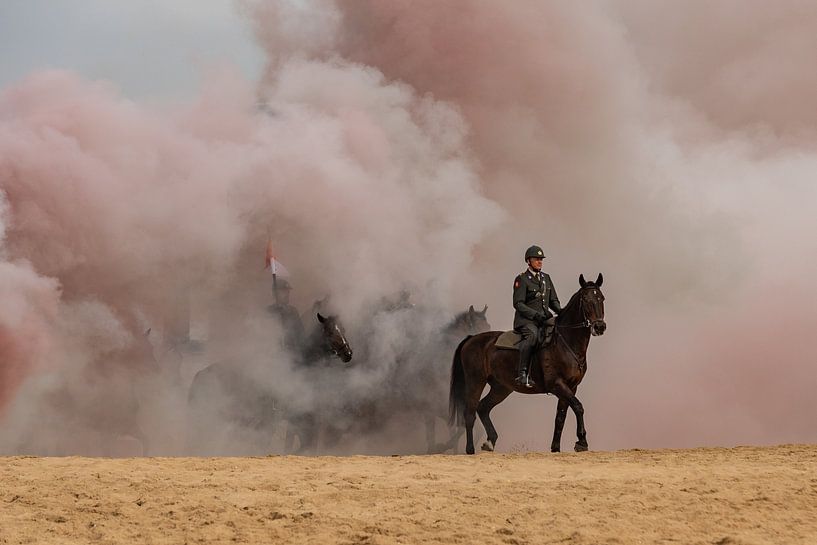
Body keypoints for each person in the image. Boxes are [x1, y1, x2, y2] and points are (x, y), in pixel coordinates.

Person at [512, 245, 561, 388]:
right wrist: (535, 315)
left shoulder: (546, 278)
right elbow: (518, 303)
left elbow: (553, 301)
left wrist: (562, 311)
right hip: (526, 321)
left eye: (541, 259)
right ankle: (522, 374)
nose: (540, 262)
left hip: (544, 320)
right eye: (536, 259)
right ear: (528, 261)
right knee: (533, 337)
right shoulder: (521, 279)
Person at [267, 278, 305, 353]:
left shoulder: (293, 311)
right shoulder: (268, 312)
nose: (287, 294)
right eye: (283, 291)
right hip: (274, 354)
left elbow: (301, 334)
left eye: (288, 292)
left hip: (293, 354)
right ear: (275, 293)